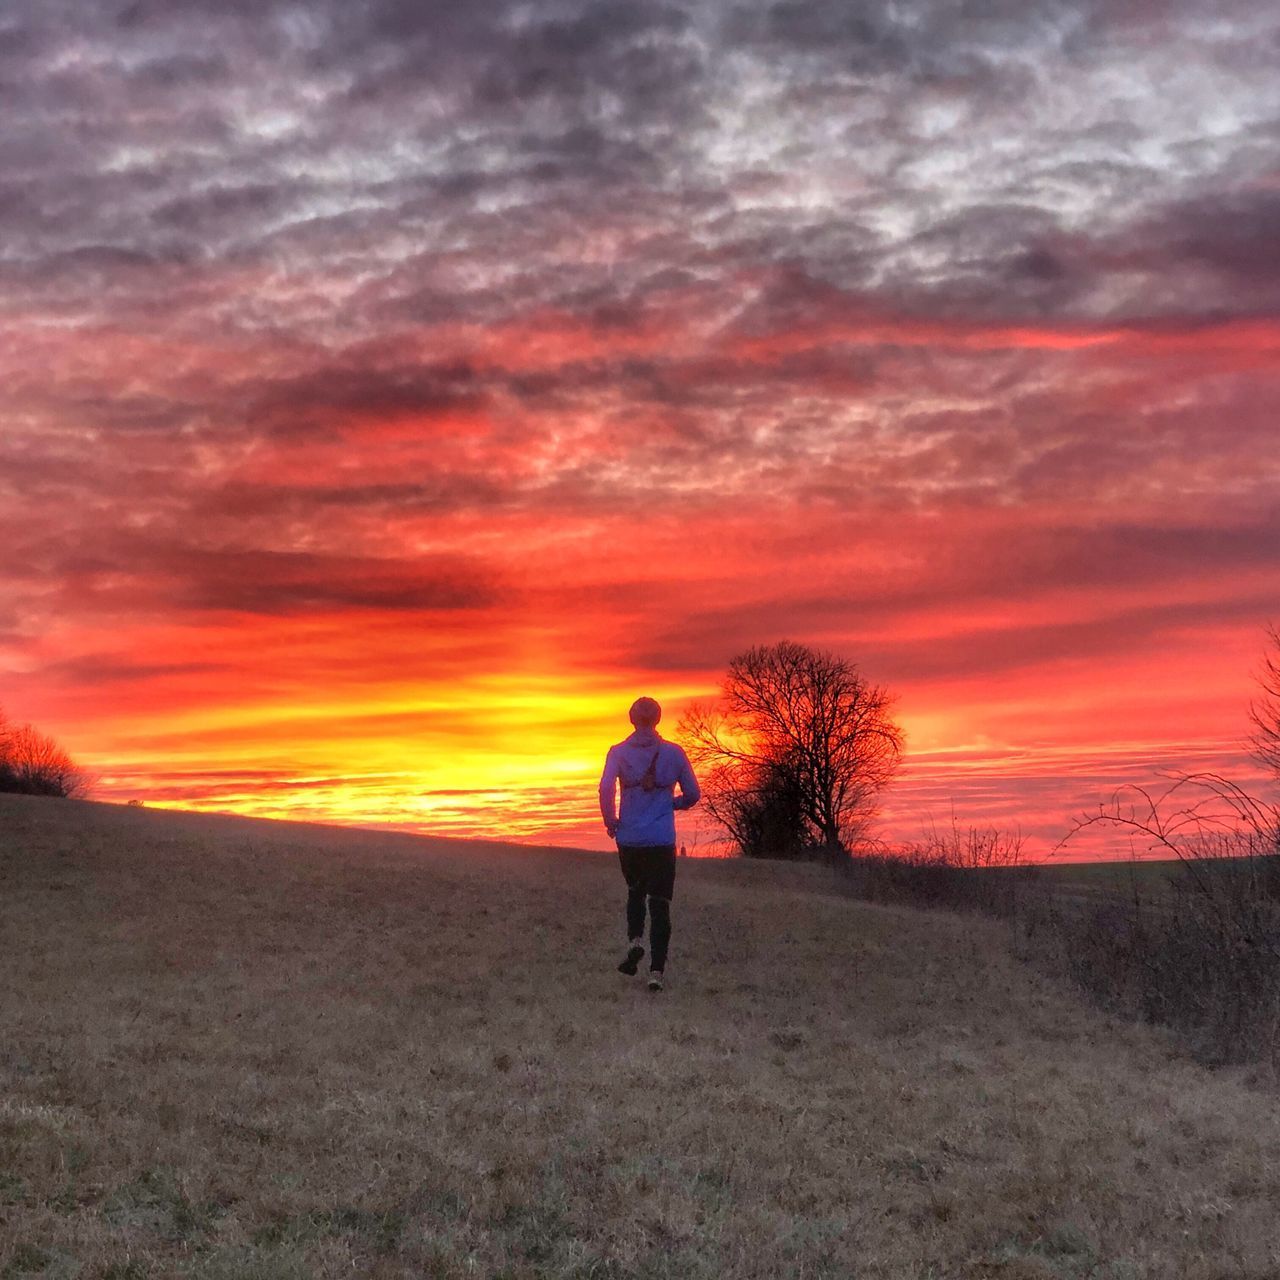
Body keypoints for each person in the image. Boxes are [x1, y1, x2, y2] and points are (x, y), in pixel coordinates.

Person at [599, 696, 701, 992]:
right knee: (660, 905)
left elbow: (606, 788)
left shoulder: (617, 752)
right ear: (658, 719)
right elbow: (694, 793)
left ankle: (635, 941)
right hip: (660, 839)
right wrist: (673, 803)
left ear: (632, 719)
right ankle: (656, 971)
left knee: (634, 892)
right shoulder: (674, 753)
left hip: (630, 838)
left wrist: (611, 820)